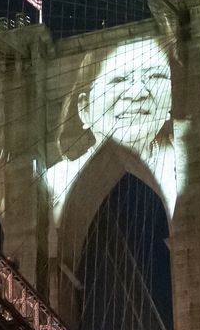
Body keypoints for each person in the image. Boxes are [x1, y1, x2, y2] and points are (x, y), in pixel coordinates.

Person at [42, 37, 186, 224]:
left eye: (155, 76)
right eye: (119, 79)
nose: (138, 92)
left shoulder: (184, 162)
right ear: (84, 108)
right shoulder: (56, 181)